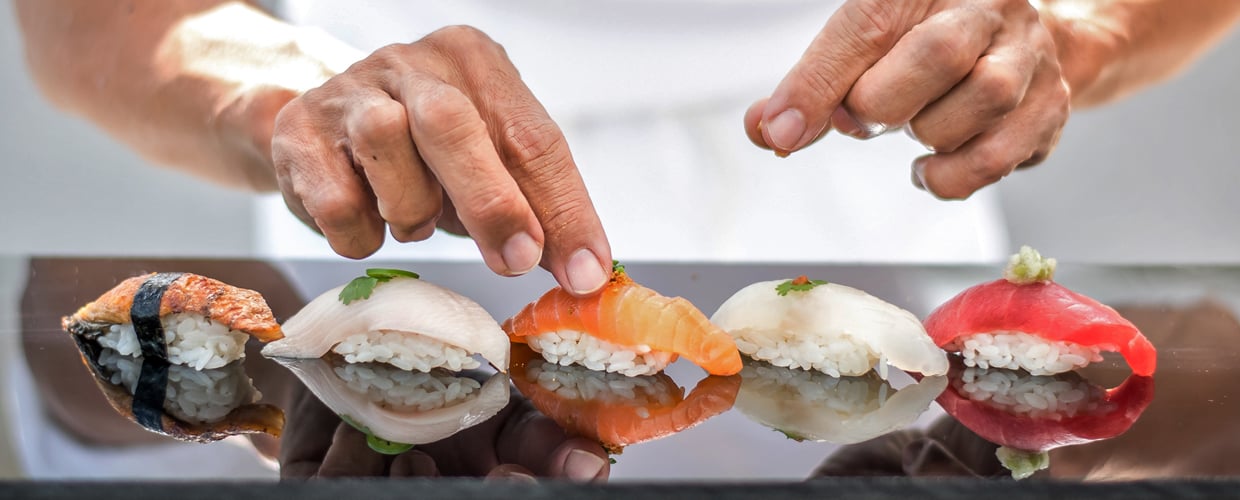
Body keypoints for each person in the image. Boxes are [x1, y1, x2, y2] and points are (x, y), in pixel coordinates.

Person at [15, 0, 1240, 297]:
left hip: (883, 253)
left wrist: (1065, 36)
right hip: (404, 243)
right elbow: (87, 26)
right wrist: (292, 109)